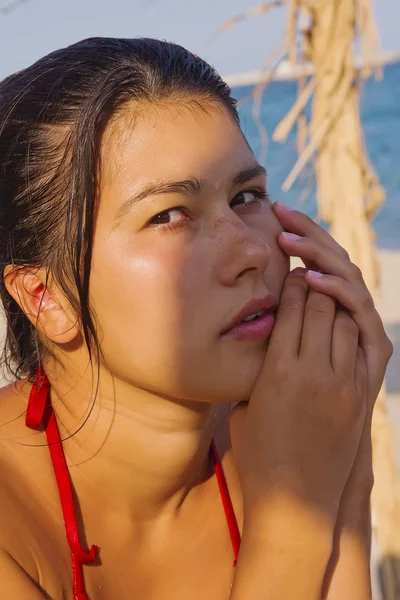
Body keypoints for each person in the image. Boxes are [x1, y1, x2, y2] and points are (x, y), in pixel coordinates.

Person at [0, 37, 393, 600]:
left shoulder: (292, 428)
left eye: (246, 196)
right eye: (167, 216)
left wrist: (348, 457)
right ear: (47, 297)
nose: (252, 252)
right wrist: (291, 519)